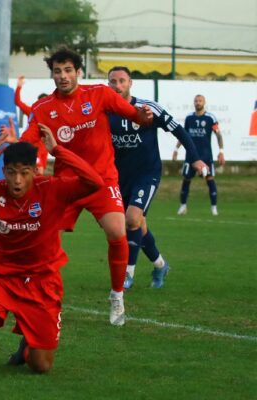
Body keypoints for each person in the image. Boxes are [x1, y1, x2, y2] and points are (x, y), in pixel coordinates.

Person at [0, 124, 103, 373]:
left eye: (24, 173)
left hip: (42, 281)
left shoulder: (52, 188)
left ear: (35, 171)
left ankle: (30, 339)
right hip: (0, 277)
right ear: (3, 171)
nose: (17, 180)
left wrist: (58, 150)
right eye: (12, 172)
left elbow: (95, 182)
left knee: (41, 367)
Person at [15, 46, 153, 326]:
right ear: (52, 75)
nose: (63, 76)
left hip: (102, 180)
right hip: (67, 184)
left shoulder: (99, 94)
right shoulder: (43, 109)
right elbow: (29, 140)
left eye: (68, 70)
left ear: (78, 72)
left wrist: (143, 116)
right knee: (45, 237)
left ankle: (116, 296)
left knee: (117, 231)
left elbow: (131, 114)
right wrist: (14, 150)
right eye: (57, 71)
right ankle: (42, 295)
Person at [107, 66, 207, 289]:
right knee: (138, 226)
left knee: (132, 219)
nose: (117, 85)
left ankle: (127, 274)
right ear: (108, 84)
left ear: (130, 83)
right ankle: (160, 265)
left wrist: (195, 158)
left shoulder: (148, 108)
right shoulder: (104, 112)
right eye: (113, 81)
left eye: (122, 81)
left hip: (147, 173)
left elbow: (179, 130)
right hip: (119, 177)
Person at [174, 94, 225, 216]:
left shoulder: (210, 118)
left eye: (200, 101)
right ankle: (183, 206)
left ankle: (214, 208)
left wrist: (221, 151)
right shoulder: (189, 118)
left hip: (206, 155)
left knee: (210, 179)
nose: (198, 102)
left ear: (204, 102)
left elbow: (218, 135)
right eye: (196, 101)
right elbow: (183, 136)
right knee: (186, 179)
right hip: (191, 156)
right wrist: (176, 149)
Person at [15, 75, 49, 175]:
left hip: (44, 149)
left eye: (47, 101)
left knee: (40, 174)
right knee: (37, 171)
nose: (45, 105)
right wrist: (19, 86)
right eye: (42, 102)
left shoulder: (52, 115)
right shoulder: (32, 112)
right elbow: (18, 102)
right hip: (33, 148)